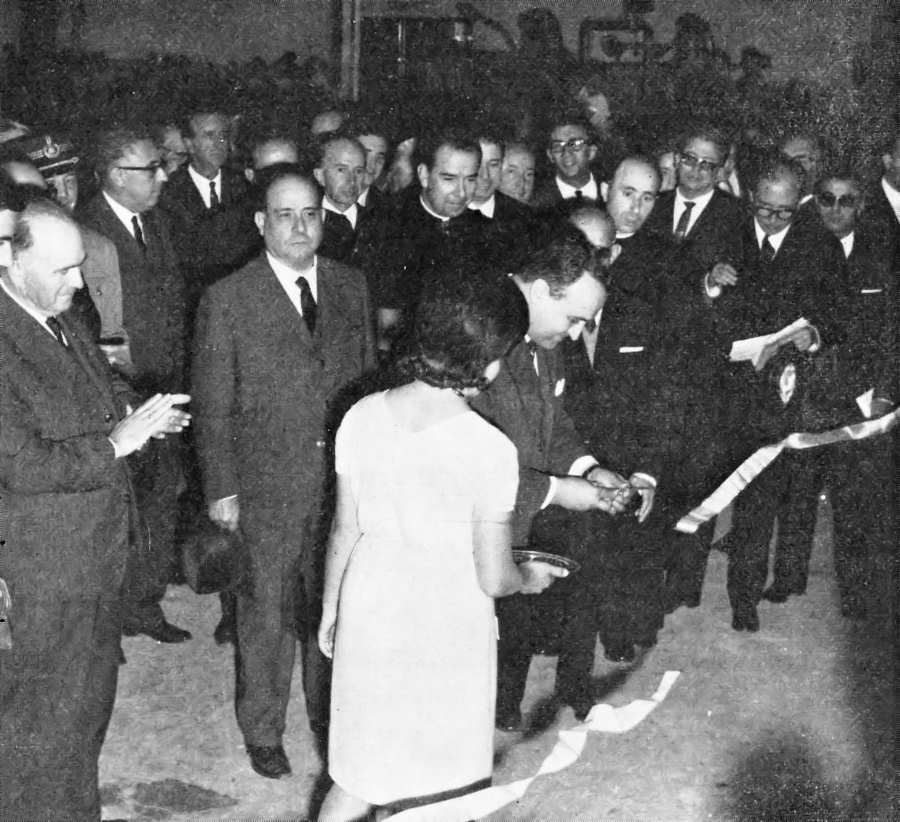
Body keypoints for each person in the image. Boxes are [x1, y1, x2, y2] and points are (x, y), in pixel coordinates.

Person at [316, 275, 567, 820]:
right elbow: (493, 576)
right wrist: (530, 576)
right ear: (492, 364)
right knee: (445, 781)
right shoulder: (488, 449)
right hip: (444, 619)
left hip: (371, 601)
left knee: (361, 769)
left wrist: (332, 609)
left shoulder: (360, 414)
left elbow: (344, 528)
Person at [0, 196, 190, 820]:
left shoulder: (59, 316)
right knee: (39, 723)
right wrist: (116, 443)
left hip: (95, 560)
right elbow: (24, 464)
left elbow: (102, 387)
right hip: (43, 573)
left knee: (86, 712)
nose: (79, 283)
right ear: (10, 262)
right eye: (62, 270)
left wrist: (144, 413)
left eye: (79, 265)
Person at [192, 166, 375, 779]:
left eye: (311, 215)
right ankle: (263, 729)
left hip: (340, 485)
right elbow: (213, 403)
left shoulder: (350, 286)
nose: (299, 228)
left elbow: (368, 384)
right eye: (285, 215)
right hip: (264, 488)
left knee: (335, 605)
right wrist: (222, 489)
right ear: (261, 222)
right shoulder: (228, 298)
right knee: (265, 613)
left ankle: (333, 722)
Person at [470, 229, 631, 730]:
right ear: (540, 291)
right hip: (477, 521)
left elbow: (553, 422)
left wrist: (588, 468)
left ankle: (517, 698)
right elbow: (472, 464)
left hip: (524, 511)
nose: (578, 332)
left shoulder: (544, 334)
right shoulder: (479, 337)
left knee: (536, 594)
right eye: (574, 318)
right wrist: (559, 490)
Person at [711, 155, 849, 632]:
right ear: (751, 198)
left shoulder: (820, 245)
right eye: (764, 209)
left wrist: (816, 334)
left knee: (778, 491)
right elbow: (691, 301)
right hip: (731, 385)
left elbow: (839, 311)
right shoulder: (725, 235)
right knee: (732, 488)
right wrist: (710, 283)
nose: (772, 219)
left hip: (790, 388)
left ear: (799, 204)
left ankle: (766, 587)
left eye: (784, 212)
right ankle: (716, 591)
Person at [79, 123, 193, 644]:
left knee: (159, 501)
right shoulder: (85, 231)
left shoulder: (159, 223)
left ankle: (143, 607)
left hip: (162, 388)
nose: (163, 176)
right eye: (151, 168)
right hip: (116, 394)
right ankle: (106, 622)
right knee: (115, 512)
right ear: (115, 175)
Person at [812, 168, 896, 618]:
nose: (836, 210)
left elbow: (893, 332)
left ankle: (860, 597)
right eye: (826, 199)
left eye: (846, 200)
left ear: (860, 206)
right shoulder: (800, 251)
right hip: (809, 396)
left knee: (861, 502)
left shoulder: (883, 255)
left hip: (863, 399)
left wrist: (885, 392)